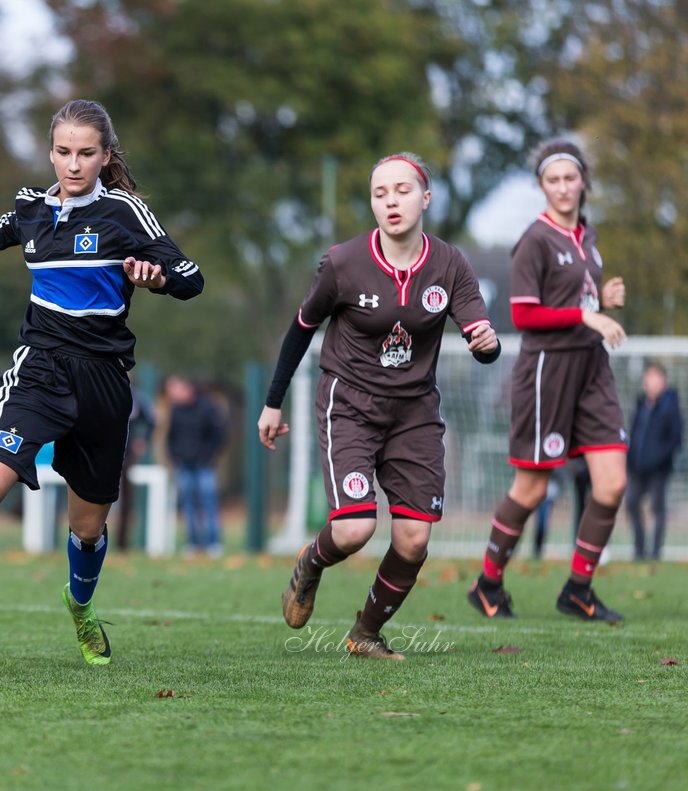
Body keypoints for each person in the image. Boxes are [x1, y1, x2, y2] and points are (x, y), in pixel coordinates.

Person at [0, 99, 204, 666]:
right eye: (62, 152)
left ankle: (80, 605)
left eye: (85, 154)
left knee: (88, 527)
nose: (72, 165)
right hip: (40, 371)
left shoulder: (124, 212)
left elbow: (191, 277)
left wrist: (156, 280)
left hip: (103, 383)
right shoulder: (32, 208)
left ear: (105, 156)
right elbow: (2, 232)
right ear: (49, 152)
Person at [258, 152, 501, 660]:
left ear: (426, 198)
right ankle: (311, 564)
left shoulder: (450, 264)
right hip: (349, 403)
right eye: (380, 193)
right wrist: (272, 403)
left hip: (413, 411)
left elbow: (483, 336)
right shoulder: (343, 263)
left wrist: (486, 343)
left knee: (413, 540)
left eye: (403, 190)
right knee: (354, 528)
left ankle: (364, 634)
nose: (391, 201)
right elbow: (301, 330)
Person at [470, 140, 628, 623]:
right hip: (548, 372)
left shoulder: (588, 236)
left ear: (583, 183)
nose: (563, 187)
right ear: (542, 187)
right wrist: (588, 314)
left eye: (570, 178)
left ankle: (578, 589)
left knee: (611, 484)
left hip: (592, 369)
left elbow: (575, 297)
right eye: (552, 180)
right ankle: (487, 584)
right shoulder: (535, 240)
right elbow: (524, 313)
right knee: (532, 490)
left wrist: (601, 297)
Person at [164, 374, 228, 557]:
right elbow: (171, 436)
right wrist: (174, 455)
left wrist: (206, 456)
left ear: (187, 388)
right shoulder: (176, 410)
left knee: (209, 503)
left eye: (174, 390)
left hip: (204, 465)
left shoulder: (207, 407)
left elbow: (219, 435)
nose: (172, 395)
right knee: (188, 505)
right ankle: (193, 544)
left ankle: (213, 544)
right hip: (184, 465)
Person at [626, 362, 682, 561]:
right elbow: (634, 433)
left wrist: (658, 458)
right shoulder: (641, 404)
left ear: (664, 382)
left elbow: (675, 437)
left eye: (655, 378)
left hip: (659, 469)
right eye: (648, 378)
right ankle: (639, 550)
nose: (651, 383)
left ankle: (655, 553)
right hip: (637, 467)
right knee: (631, 503)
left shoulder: (670, 404)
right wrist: (630, 458)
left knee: (657, 509)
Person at [114, 372, 156, 551]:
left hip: (125, 456)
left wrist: (143, 439)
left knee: (125, 500)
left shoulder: (136, 398)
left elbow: (151, 420)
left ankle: (122, 542)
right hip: (100, 453)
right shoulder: (102, 393)